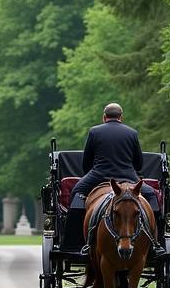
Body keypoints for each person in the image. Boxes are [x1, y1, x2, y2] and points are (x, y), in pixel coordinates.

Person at [66, 103, 161, 253]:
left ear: (104, 117)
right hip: (128, 177)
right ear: (121, 117)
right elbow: (139, 163)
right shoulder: (132, 133)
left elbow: (86, 162)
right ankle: (157, 242)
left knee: (76, 192)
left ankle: (71, 242)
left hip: (98, 176)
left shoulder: (94, 132)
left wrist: (90, 174)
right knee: (152, 196)